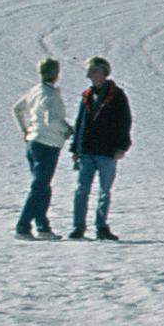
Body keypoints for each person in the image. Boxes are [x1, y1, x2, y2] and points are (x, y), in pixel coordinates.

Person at [69, 56, 133, 241]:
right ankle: (78, 227)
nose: (90, 75)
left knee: (104, 190)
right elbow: (80, 121)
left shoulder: (117, 95)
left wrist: (122, 146)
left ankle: (101, 226)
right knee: (82, 190)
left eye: (94, 71)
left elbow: (124, 121)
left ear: (103, 72)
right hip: (87, 151)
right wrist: (75, 148)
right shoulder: (87, 95)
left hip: (107, 151)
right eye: (90, 71)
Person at [12, 57, 70, 238]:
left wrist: (25, 129)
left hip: (33, 141)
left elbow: (17, 109)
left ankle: (43, 226)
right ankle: (23, 226)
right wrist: (67, 129)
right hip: (48, 144)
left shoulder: (35, 91)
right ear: (55, 74)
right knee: (40, 186)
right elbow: (52, 120)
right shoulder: (50, 95)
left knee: (42, 186)